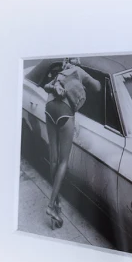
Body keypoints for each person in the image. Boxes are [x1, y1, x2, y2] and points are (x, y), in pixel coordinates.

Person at [43, 58, 101, 226]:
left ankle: (57, 201)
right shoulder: (79, 71)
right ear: (78, 63)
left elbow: (47, 87)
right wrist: (88, 78)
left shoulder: (60, 73)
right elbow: (97, 87)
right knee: (63, 162)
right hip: (64, 111)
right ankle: (51, 205)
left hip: (49, 108)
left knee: (54, 159)